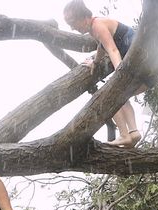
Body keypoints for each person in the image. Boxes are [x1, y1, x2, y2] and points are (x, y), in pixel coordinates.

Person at [63, 0, 143, 147]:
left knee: (109, 96)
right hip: (139, 59)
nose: (73, 28)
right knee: (121, 95)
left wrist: (119, 75)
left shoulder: (97, 25)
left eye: (73, 23)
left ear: (83, 17)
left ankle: (124, 135)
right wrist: (95, 62)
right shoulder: (94, 28)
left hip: (136, 58)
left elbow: (112, 50)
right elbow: (101, 46)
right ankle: (133, 132)